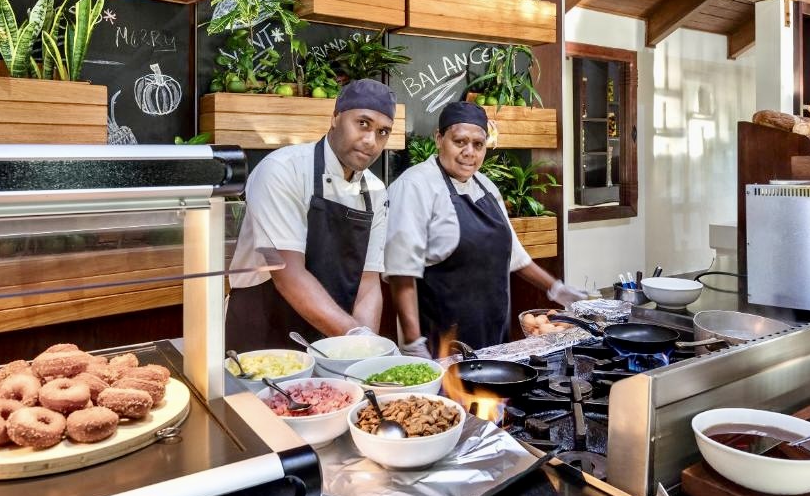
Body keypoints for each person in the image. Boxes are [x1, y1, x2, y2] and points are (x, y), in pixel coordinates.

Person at [384, 101, 587, 358]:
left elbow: (515, 256)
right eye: (459, 141)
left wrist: (557, 289)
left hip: (494, 335)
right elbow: (401, 271)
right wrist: (413, 342)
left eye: (478, 144)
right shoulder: (414, 185)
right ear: (439, 139)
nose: (469, 152)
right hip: (441, 341)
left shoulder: (486, 186)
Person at [226, 79, 396, 351]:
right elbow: (287, 274)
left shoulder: (375, 191)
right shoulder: (282, 170)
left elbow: (368, 282)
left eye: (383, 132)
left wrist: (363, 352)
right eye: (363, 123)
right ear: (335, 117)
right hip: (264, 334)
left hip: (333, 337)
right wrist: (356, 338)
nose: (370, 141)